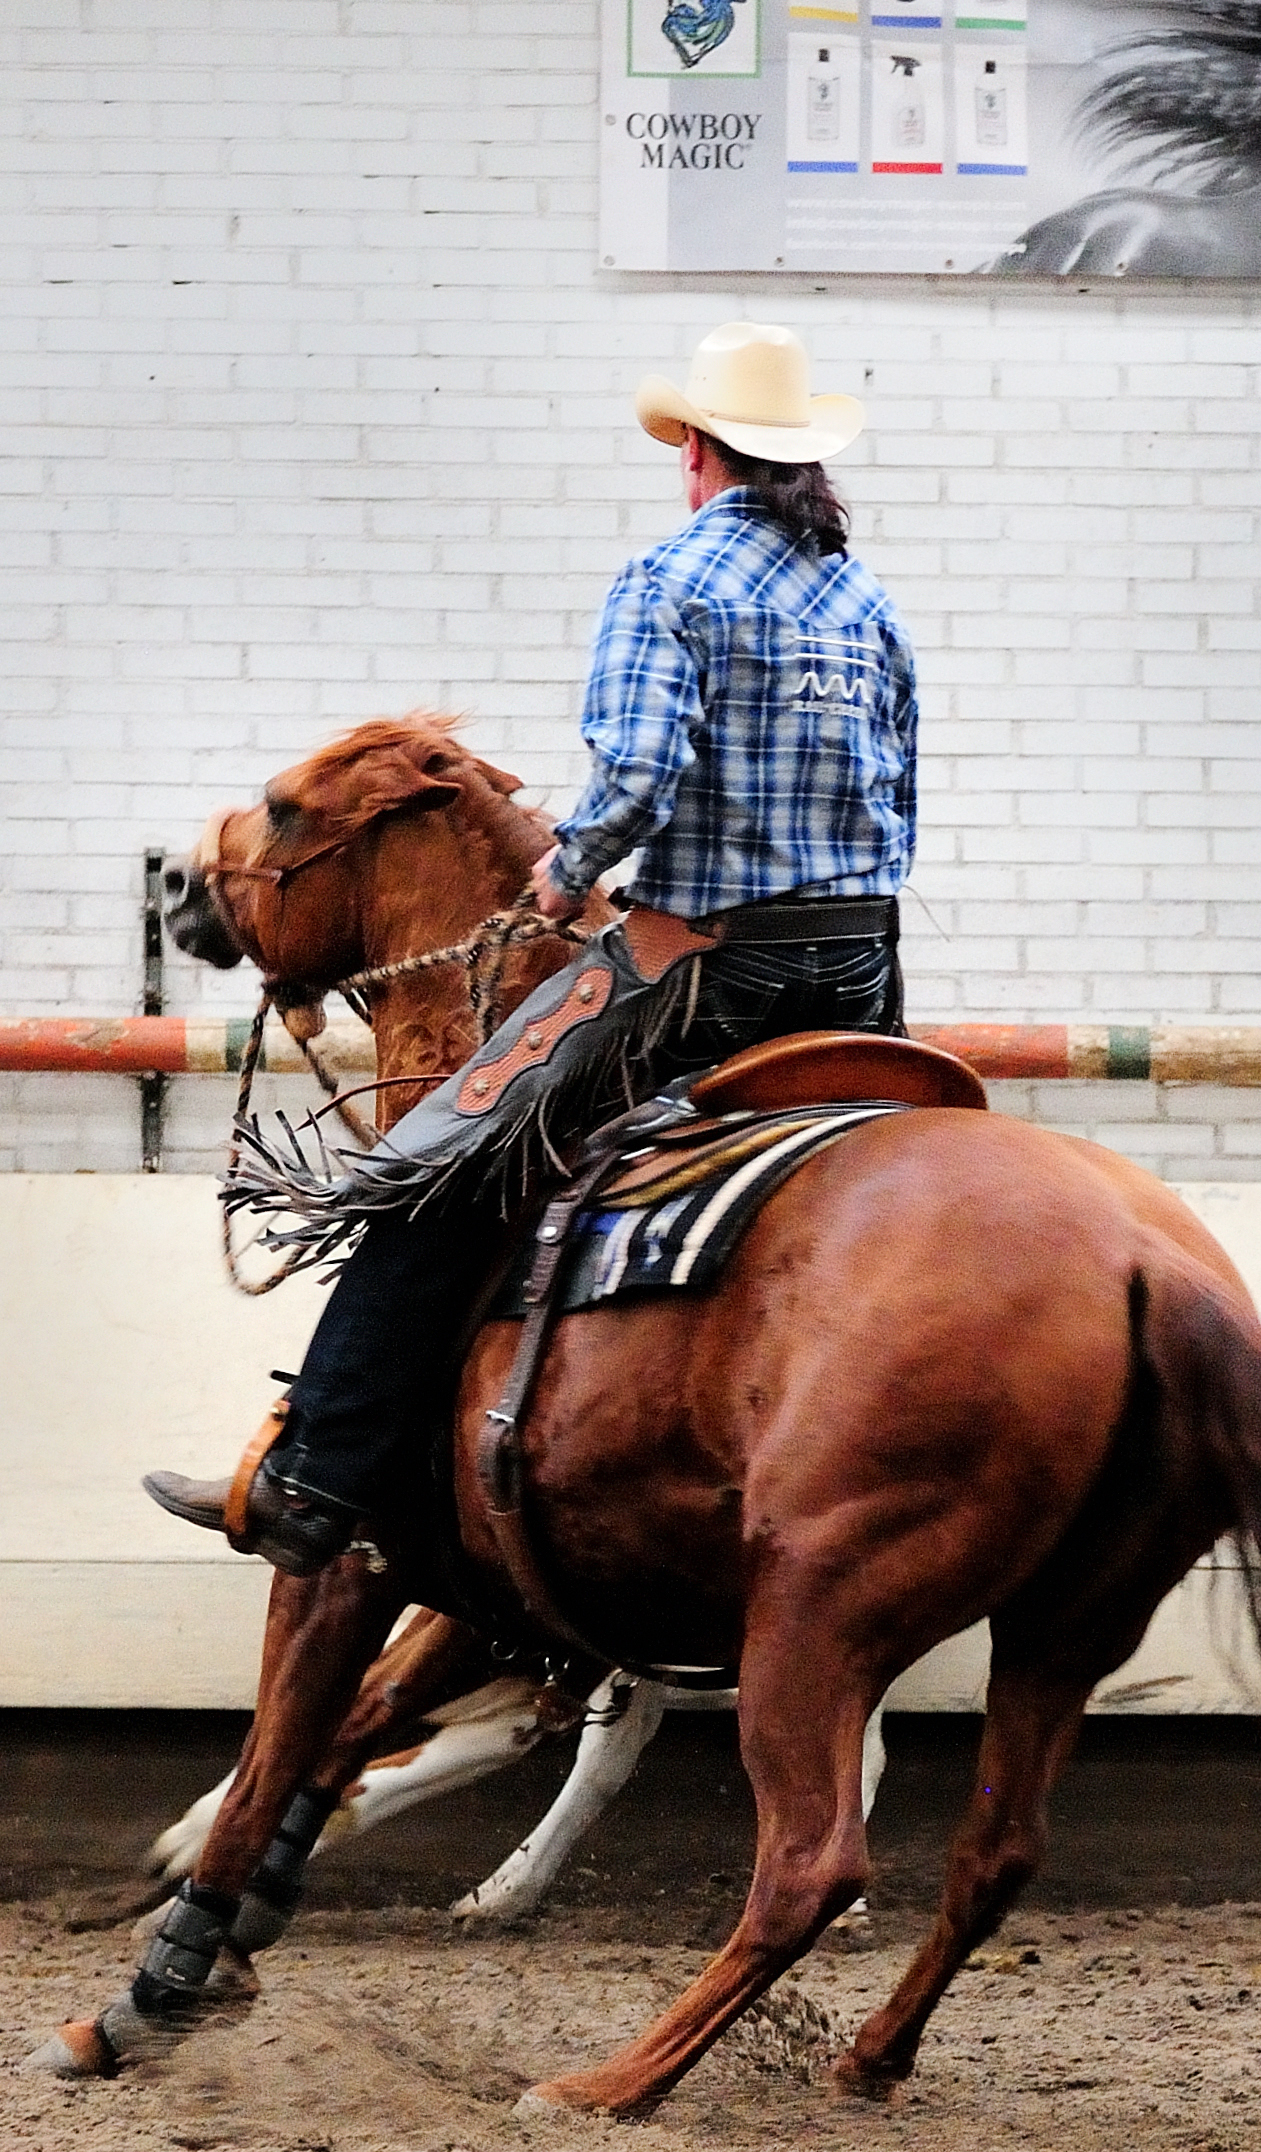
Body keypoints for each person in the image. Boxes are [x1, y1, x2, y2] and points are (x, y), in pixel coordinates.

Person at [151, 322, 920, 1575]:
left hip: (704, 975)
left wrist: (565, 880)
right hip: (860, 974)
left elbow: (637, 778)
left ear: (698, 454)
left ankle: (312, 1477)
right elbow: (902, 797)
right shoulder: (866, 597)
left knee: (437, 1163)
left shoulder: (670, 580)